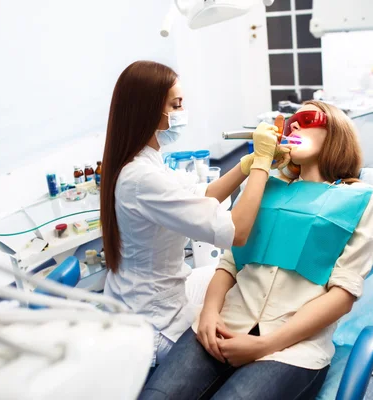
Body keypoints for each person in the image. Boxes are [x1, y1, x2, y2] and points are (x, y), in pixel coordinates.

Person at [140, 100, 373, 400]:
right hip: (224, 324)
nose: (293, 125)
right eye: (291, 120)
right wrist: (209, 313)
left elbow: (342, 295)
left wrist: (266, 345)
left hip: (293, 350)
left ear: (336, 131)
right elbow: (230, 263)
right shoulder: (265, 184)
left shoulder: (361, 198)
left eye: (306, 118)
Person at [100, 61, 290, 367]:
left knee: (238, 285)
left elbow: (198, 198)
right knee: (244, 316)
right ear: (148, 110)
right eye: (176, 105)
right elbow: (236, 232)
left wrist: (246, 164)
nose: (181, 111)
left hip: (151, 289)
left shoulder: (146, 162)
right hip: (153, 318)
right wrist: (262, 164)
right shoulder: (139, 178)